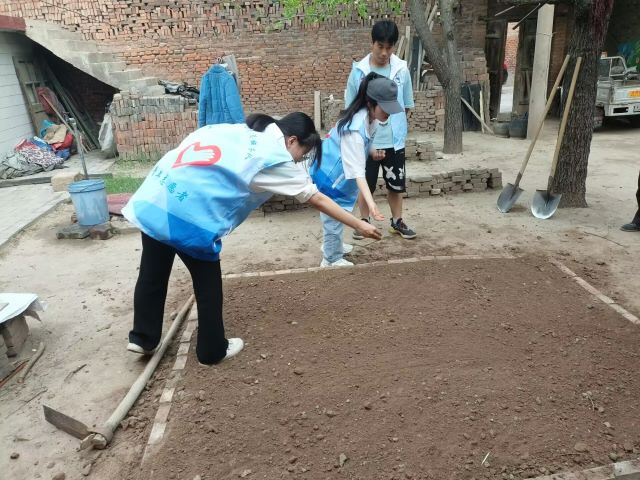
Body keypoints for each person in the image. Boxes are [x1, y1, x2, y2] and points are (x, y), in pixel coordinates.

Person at [122, 113, 381, 365]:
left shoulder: (237, 131)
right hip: (190, 213)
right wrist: (359, 224)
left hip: (157, 195)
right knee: (207, 282)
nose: (299, 160)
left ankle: (143, 337)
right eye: (302, 154)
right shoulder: (274, 157)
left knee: (152, 271)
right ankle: (212, 350)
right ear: (291, 141)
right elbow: (317, 198)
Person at [311, 73, 403, 267]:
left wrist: (372, 151)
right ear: (371, 103)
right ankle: (330, 258)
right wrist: (372, 205)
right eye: (385, 108)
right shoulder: (355, 128)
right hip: (330, 174)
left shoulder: (373, 120)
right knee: (333, 215)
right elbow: (358, 171)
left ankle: (333, 246)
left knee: (338, 214)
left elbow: (364, 145)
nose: (389, 113)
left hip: (341, 173)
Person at [345, 19, 417, 240]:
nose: (385, 53)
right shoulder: (359, 72)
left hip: (394, 140)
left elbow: (406, 104)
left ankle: (397, 221)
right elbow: (350, 106)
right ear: (372, 43)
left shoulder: (401, 70)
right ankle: (364, 221)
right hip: (366, 139)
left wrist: (396, 128)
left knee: (396, 184)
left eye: (389, 47)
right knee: (365, 181)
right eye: (380, 46)